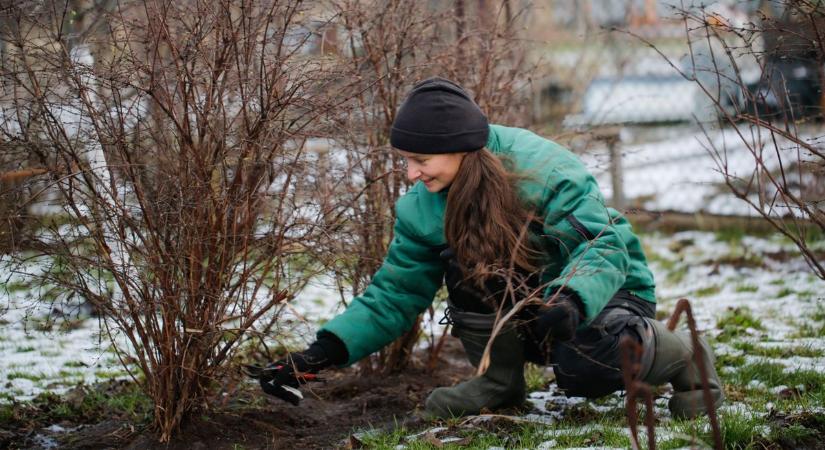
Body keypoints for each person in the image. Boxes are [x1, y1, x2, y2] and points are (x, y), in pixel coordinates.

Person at [251, 77, 724, 419]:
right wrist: (321, 353)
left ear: (458, 147)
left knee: (586, 369)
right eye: (407, 162)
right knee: (463, 264)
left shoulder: (545, 171)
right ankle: (500, 382)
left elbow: (600, 249)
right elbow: (395, 293)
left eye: (420, 160)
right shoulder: (422, 208)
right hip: (526, 303)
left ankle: (686, 351)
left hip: (604, 293)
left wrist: (571, 299)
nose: (411, 175)